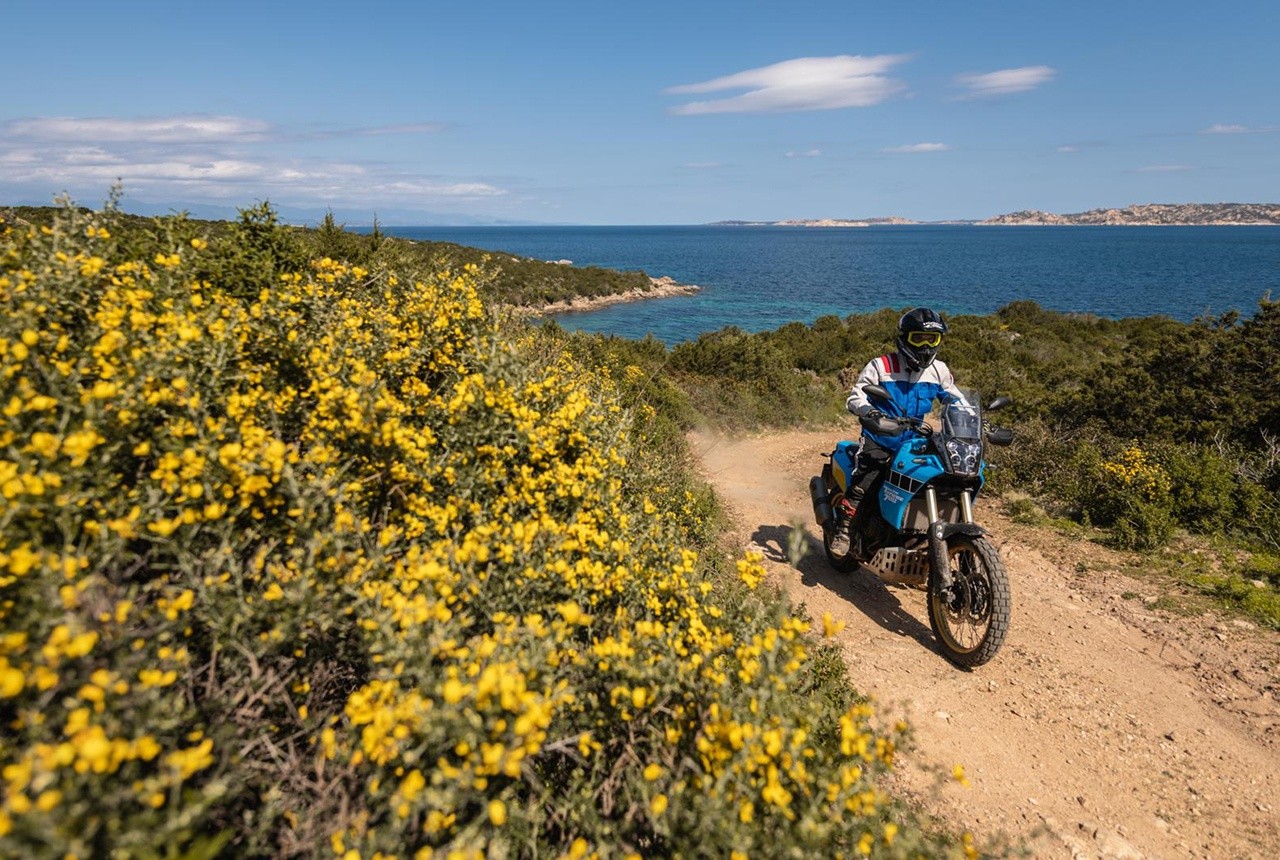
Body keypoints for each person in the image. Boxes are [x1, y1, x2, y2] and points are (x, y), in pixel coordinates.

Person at [842, 307, 967, 511]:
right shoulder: (881, 366)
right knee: (865, 482)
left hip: (915, 444)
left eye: (932, 339)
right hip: (881, 439)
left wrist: (974, 417)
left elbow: (956, 399)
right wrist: (870, 412)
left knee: (938, 478)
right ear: (906, 338)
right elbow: (856, 397)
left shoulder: (938, 370)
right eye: (919, 338)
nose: (926, 346)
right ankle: (844, 528)